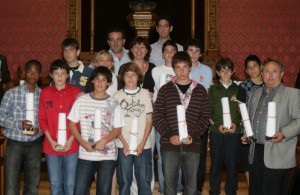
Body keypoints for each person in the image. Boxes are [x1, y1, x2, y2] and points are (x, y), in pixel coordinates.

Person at [153, 51, 210, 195]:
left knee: (191, 184)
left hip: (192, 143)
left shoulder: (200, 90)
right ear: (173, 68)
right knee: (169, 184)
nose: (182, 71)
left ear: (190, 68)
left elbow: (205, 116)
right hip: (169, 143)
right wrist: (169, 135)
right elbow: (158, 116)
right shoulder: (165, 90)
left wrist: (194, 134)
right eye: (178, 67)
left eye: (185, 67)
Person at [241, 58, 300, 195]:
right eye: (267, 71)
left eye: (274, 71)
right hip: (255, 152)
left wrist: (284, 133)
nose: (270, 75)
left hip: (278, 153)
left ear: (282, 73)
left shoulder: (292, 94)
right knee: (255, 191)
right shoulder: (255, 94)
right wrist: (246, 134)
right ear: (262, 74)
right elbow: (249, 120)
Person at [68, 66, 125, 195]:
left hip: (107, 155)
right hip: (86, 153)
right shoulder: (82, 100)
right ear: (92, 81)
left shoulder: (114, 103)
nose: (100, 82)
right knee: (79, 190)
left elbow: (117, 129)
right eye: (97, 79)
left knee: (104, 191)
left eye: (104, 80)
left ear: (109, 83)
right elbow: (72, 124)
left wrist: (104, 141)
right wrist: (83, 143)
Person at [38, 59, 82, 195]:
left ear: (68, 75)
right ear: (51, 75)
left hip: (72, 145)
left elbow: (79, 120)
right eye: (56, 73)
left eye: (63, 73)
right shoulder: (45, 93)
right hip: (51, 145)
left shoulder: (77, 92)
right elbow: (42, 119)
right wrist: (51, 141)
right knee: (55, 184)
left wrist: (71, 140)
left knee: (70, 184)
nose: (59, 77)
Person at [0, 60, 43, 195]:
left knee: (32, 185)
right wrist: (20, 124)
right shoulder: (11, 93)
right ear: (24, 73)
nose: (32, 75)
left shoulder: (44, 95)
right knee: (11, 185)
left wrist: (39, 129)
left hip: (35, 143)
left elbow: (46, 119)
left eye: (36, 72)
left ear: (40, 75)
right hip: (15, 144)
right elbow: (1, 117)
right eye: (30, 71)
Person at [114, 62, 153, 195]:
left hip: (143, 145)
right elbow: (116, 124)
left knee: (144, 180)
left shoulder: (145, 94)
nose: (130, 78)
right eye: (127, 75)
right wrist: (124, 143)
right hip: (122, 144)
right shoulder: (117, 96)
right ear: (122, 78)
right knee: (124, 181)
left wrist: (142, 143)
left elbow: (149, 121)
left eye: (133, 75)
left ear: (138, 77)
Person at [151, 39, 182, 194]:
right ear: (162, 54)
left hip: (179, 119)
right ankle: (164, 190)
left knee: (180, 157)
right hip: (162, 118)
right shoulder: (156, 71)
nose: (170, 53)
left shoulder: (181, 71)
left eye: (172, 50)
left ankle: (178, 189)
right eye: (167, 51)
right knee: (163, 157)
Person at [208, 58, 241, 195]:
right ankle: (214, 190)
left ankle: (231, 191)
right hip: (217, 132)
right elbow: (208, 111)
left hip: (234, 133)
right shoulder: (212, 89)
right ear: (218, 73)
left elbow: (243, 111)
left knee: (232, 165)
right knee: (215, 164)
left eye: (228, 69)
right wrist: (217, 124)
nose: (226, 72)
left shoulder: (239, 89)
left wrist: (236, 123)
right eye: (222, 70)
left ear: (233, 72)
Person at [184, 38, 212, 195]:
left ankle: (198, 188)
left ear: (200, 54)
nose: (193, 54)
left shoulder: (206, 71)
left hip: (200, 118)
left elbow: (205, 96)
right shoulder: (181, 68)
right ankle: (184, 187)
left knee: (199, 155)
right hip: (181, 119)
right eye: (190, 50)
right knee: (183, 153)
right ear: (186, 51)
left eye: (196, 51)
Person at [236, 54, 263, 186]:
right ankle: (252, 188)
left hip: (265, 128)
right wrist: (248, 124)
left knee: (262, 159)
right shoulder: (243, 85)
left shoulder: (269, 83)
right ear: (246, 71)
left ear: (260, 67)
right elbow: (240, 106)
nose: (252, 70)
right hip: (247, 128)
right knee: (248, 161)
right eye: (249, 68)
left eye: (255, 66)